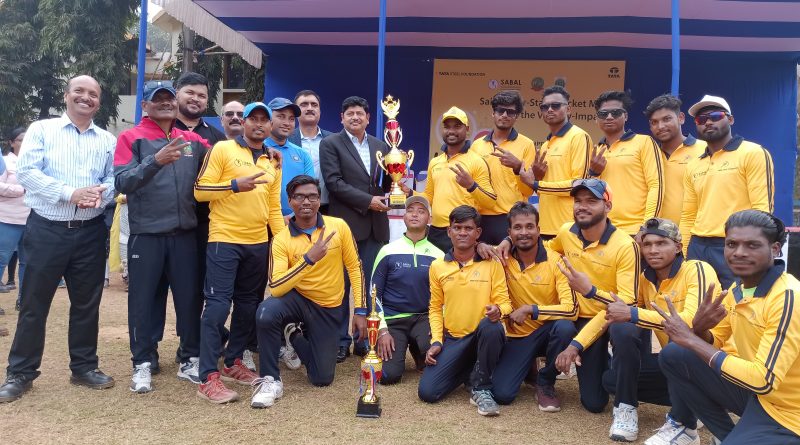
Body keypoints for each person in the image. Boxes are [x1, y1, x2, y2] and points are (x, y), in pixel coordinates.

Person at [0, 75, 116, 403]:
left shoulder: (107, 139)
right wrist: (71, 193)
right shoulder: (42, 130)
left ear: (98, 102)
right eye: (79, 91)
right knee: (34, 304)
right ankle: (20, 373)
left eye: (93, 93)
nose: (86, 97)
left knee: (86, 305)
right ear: (66, 96)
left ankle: (84, 367)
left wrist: (100, 194)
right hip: (47, 230)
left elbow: (112, 178)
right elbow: (28, 173)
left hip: (90, 232)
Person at [658, 210, 800, 445]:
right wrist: (700, 330)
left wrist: (691, 339)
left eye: (752, 245)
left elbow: (763, 380)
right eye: (732, 244)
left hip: (788, 411)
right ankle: (727, 436)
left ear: (775, 249)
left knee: (687, 346)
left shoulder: (787, 297)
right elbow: (716, 340)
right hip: (759, 398)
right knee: (675, 354)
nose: (739, 252)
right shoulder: (738, 289)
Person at [518, 179, 639, 436]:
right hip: (577, 318)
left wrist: (590, 292)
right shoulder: (566, 232)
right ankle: (584, 367)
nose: (582, 206)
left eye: (591, 201)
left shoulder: (625, 245)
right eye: (578, 201)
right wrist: (508, 241)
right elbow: (546, 249)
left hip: (607, 319)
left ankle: (623, 393)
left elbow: (625, 305)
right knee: (593, 401)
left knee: (623, 335)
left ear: (607, 206)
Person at [114, 80, 209, 393]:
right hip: (147, 235)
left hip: (185, 235)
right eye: (158, 99)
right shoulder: (131, 137)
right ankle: (143, 362)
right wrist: (156, 161)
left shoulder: (191, 140)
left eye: (170, 98)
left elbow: (223, 157)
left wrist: (264, 152)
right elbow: (122, 182)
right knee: (142, 301)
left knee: (189, 299)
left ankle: (190, 358)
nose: (166, 103)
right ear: (145, 105)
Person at [194, 101, 286, 404]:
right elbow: (200, 191)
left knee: (248, 306)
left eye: (264, 120)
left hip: (258, 243)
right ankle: (208, 377)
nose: (258, 124)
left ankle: (233, 361)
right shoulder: (223, 149)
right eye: (252, 119)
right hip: (224, 239)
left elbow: (273, 207)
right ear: (243, 123)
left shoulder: (273, 160)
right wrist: (234, 185)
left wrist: (283, 243)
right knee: (218, 306)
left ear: (270, 126)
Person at [251, 175, 367, 408]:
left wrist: (361, 310)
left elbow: (355, 267)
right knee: (266, 312)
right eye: (300, 197)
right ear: (290, 201)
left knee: (321, 378)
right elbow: (276, 286)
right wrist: (308, 260)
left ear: (319, 199)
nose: (306, 202)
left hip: (328, 306)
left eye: (312, 196)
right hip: (297, 299)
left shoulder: (338, 226)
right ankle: (270, 380)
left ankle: (292, 334)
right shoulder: (281, 239)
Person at [602, 218, 720, 444]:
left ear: (678, 247)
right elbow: (623, 316)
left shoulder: (697, 269)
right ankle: (627, 407)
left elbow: (690, 324)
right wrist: (576, 343)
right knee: (612, 378)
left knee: (679, 343)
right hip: (675, 362)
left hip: (712, 363)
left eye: (661, 243)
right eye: (647, 244)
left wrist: (632, 313)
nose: (653, 250)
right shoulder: (645, 280)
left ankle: (687, 418)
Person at [418, 205, 511, 417]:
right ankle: (471, 369)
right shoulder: (437, 266)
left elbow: (505, 303)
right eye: (457, 228)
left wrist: (498, 310)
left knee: (491, 326)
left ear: (478, 233)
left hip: (483, 336)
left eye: (468, 228)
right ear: (449, 231)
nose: (462, 233)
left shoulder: (492, 262)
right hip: (454, 339)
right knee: (428, 392)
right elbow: (435, 307)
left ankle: (481, 387)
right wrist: (436, 341)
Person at [319, 96, 391, 362]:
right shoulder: (330, 144)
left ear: (368, 118)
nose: (355, 117)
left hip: (375, 228)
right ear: (342, 118)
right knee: (342, 285)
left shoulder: (381, 145)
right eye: (349, 113)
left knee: (372, 285)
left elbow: (385, 183)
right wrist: (368, 201)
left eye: (360, 113)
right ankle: (340, 340)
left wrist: (398, 187)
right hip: (345, 226)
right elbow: (334, 183)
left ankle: (365, 339)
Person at [487, 202, 576, 411]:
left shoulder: (556, 261)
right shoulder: (501, 257)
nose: (524, 232)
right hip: (516, 336)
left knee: (565, 327)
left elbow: (571, 309)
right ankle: (528, 368)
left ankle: (545, 383)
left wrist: (531, 309)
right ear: (509, 233)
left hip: (547, 333)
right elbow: (469, 249)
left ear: (538, 229)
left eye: (529, 226)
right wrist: (482, 246)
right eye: (517, 227)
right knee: (502, 394)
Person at [679, 95, 774, 289]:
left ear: (730, 119)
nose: (708, 122)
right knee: (699, 301)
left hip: (735, 244)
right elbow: (689, 214)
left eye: (715, 116)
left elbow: (762, 209)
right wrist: (684, 250)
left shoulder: (752, 153)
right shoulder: (694, 164)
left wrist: (752, 247)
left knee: (737, 300)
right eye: (701, 119)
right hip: (697, 246)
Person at [373, 196, 444, 384]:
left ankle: (418, 348)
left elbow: (445, 297)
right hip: (393, 319)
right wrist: (382, 330)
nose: (415, 214)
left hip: (424, 318)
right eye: (410, 210)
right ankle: (404, 346)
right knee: (389, 376)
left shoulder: (439, 255)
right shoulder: (387, 251)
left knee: (438, 362)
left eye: (421, 211)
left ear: (429, 219)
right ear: (404, 217)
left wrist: (440, 328)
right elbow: (374, 294)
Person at [404, 107, 496, 253]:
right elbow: (429, 197)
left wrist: (471, 185)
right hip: (435, 231)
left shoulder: (477, 161)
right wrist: (409, 193)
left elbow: (490, 202)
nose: (451, 131)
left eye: (457, 126)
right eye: (447, 127)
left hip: (461, 232)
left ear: (467, 129)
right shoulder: (435, 162)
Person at [521, 86, 593, 240]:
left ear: (569, 109)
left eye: (556, 105)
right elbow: (544, 190)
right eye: (545, 107)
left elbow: (580, 185)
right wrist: (537, 179)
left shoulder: (579, 137)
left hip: (571, 226)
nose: (550, 110)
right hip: (546, 225)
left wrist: (536, 184)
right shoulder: (545, 145)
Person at [589, 90, 664, 236]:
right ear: (596, 119)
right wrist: (593, 173)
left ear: (626, 116)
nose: (609, 117)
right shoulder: (596, 150)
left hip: (635, 230)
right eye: (603, 114)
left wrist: (647, 228)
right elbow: (591, 195)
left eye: (616, 113)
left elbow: (656, 186)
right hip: (604, 230)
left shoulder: (644, 142)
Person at [469, 91, 535, 244]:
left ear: (516, 116)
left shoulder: (527, 144)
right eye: (500, 110)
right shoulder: (477, 145)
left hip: (511, 216)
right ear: (493, 113)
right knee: (482, 260)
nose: (504, 115)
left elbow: (528, 191)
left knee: (510, 259)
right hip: (480, 217)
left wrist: (517, 167)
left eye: (510, 112)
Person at [644, 95, 706, 225]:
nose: (660, 126)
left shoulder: (705, 149)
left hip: (695, 231)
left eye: (666, 119)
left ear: (681, 118)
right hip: (656, 232)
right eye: (654, 122)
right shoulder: (649, 155)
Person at [265, 97, 314, 220]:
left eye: (291, 119)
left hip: (295, 222)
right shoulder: (256, 150)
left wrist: (292, 218)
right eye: (281, 116)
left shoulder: (303, 155)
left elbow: (310, 191)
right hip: (260, 221)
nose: (287, 123)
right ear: (268, 119)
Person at [289, 90, 333, 213]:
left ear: (320, 111)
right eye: (304, 104)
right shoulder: (285, 140)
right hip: (294, 208)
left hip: (328, 207)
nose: (309, 108)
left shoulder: (334, 140)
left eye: (314, 105)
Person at [0, 127, 29, 304]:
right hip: (7, 219)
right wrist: (21, 190)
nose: (24, 143)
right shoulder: (5, 162)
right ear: (11, 143)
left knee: (28, 263)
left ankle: (23, 301)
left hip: (31, 220)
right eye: (20, 139)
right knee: (1, 260)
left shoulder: (34, 162)